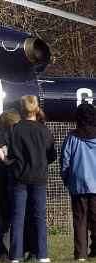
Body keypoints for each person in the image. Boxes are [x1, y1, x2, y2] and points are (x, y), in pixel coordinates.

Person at [8, 95, 56, 263]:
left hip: (19, 178)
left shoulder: (15, 129)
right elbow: (52, 155)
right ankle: (42, 255)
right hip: (39, 178)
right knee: (39, 217)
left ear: (22, 109)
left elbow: (11, 154)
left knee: (18, 217)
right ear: (36, 108)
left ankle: (15, 255)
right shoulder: (44, 130)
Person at [61, 103, 96, 261]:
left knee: (80, 220)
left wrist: (67, 180)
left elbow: (65, 161)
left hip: (78, 185)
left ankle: (80, 254)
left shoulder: (72, 137)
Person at [0, 109, 21, 262]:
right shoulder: (1, 137)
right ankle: (3, 254)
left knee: (4, 219)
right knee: (5, 219)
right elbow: (5, 158)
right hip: (3, 181)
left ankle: (2, 253)